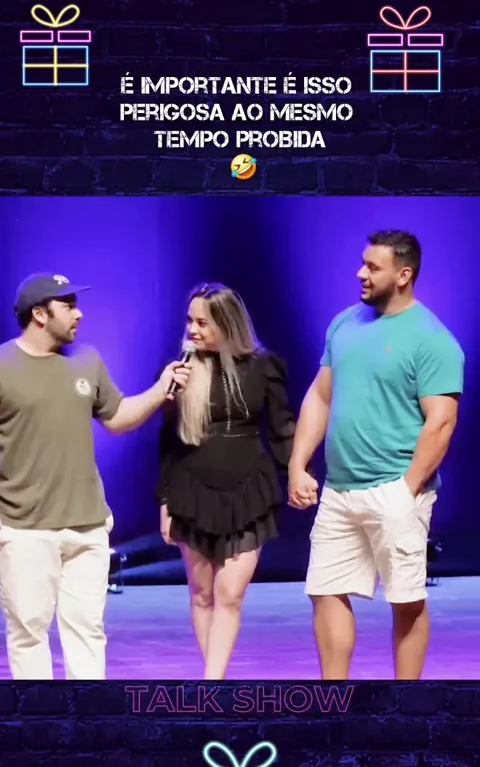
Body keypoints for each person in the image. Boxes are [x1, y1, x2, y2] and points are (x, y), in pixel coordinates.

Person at [288, 230, 464, 681]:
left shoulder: (432, 339)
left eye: (372, 267)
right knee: (325, 590)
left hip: (396, 488)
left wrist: (407, 490)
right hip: (339, 490)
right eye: (363, 263)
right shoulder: (344, 324)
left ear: (404, 275)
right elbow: (320, 395)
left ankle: (404, 703)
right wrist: (298, 463)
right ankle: (335, 700)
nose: (360, 273)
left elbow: (441, 422)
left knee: (406, 600)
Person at [0, 272, 191, 680]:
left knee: (87, 631)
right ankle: (39, 717)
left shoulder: (86, 360)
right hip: (24, 530)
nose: (79, 314)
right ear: (39, 314)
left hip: (88, 526)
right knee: (28, 634)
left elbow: (117, 417)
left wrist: (161, 390)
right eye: (68, 305)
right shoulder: (3, 366)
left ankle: (87, 713)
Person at [156, 283, 296, 680]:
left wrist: (297, 472)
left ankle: (212, 684)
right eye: (190, 321)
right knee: (202, 594)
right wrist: (165, 502)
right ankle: (214, 684)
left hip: (248, 492)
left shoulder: (264, 367)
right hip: (191, 491)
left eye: (203, 322)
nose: (193, 329)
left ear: (228, 324)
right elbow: (168, 443)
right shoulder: (182, 371)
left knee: (229, 594)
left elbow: (282, 430)